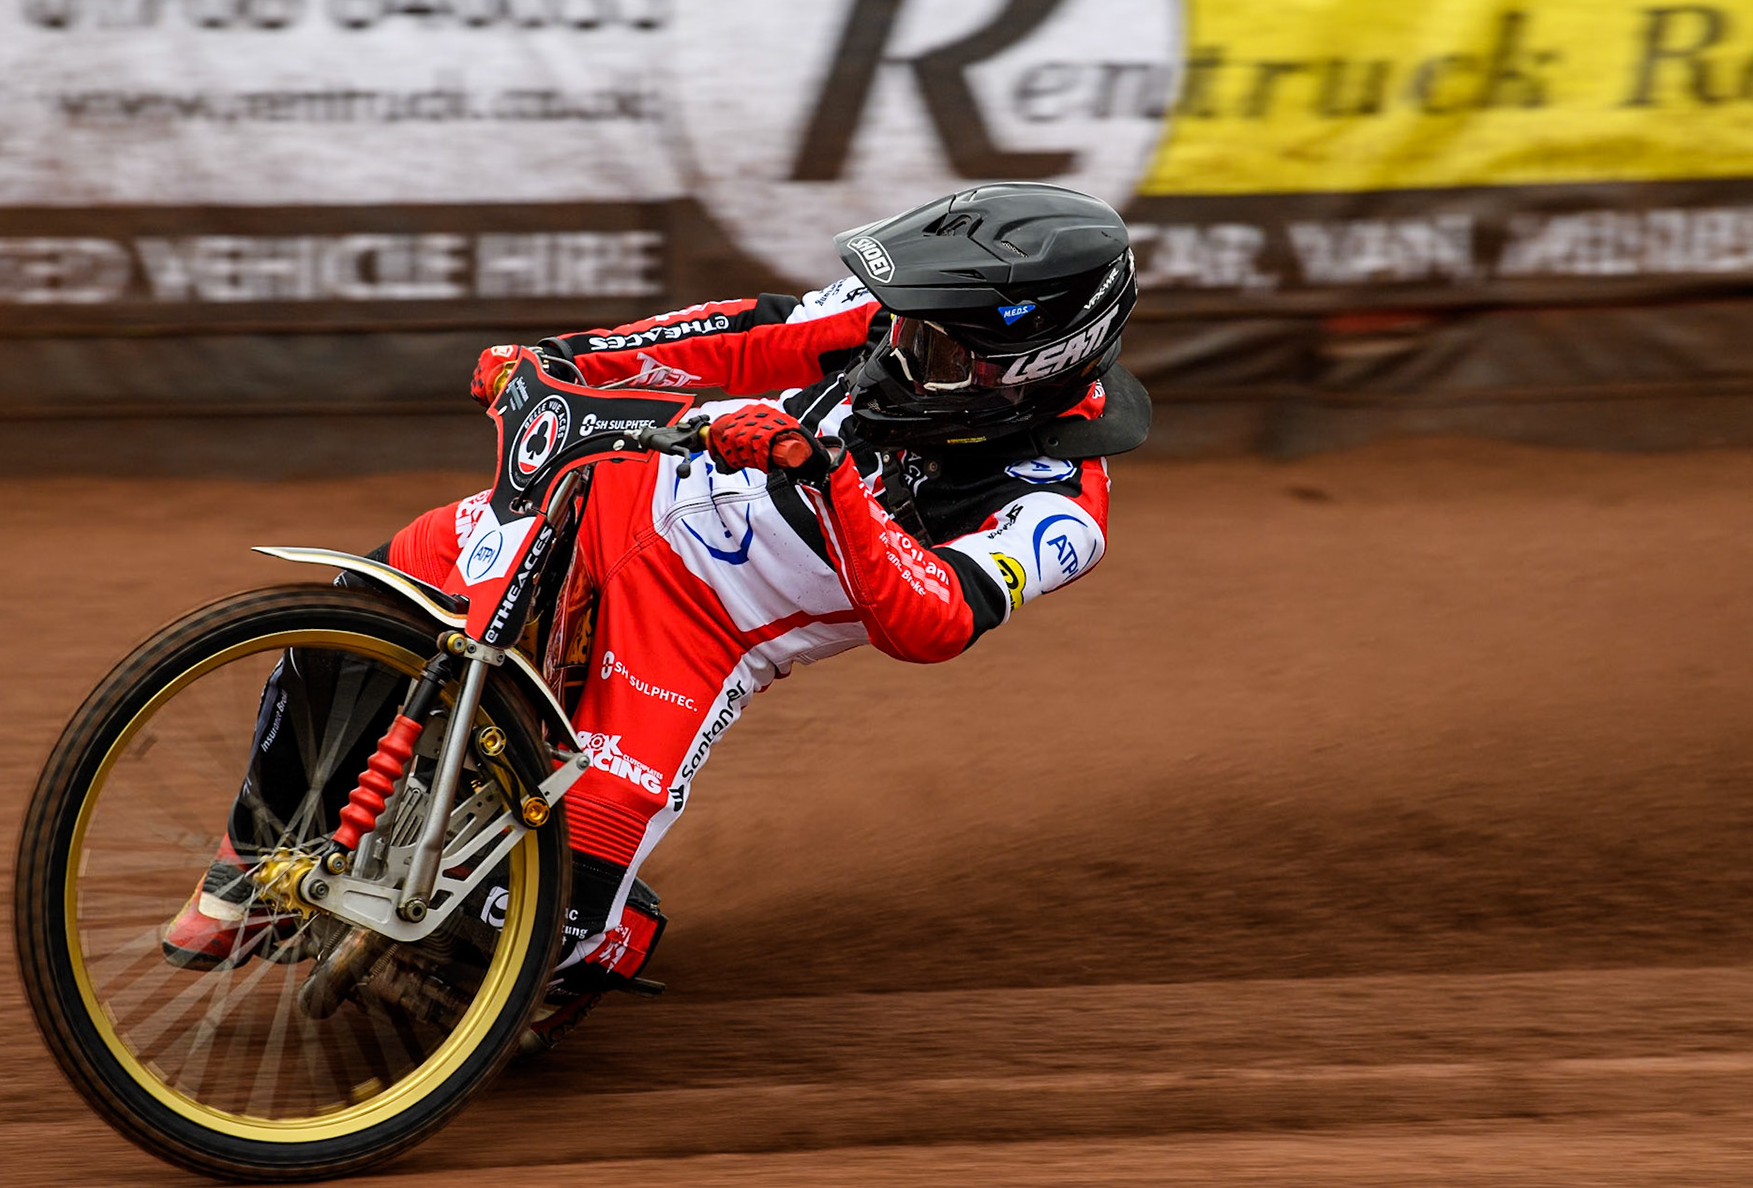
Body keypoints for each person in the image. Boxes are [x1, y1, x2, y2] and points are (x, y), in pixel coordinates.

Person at [161, 182, 1149, 1042]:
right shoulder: (901, 318)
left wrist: (827, 472)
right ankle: (255, 854)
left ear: (1025, 366)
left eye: (928, 342)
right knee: (370, 607)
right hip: (614, 498)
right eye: (897, 320)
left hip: (697, 635)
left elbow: (928, 619)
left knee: (532, 921)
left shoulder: (1060, 505)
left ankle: (598, 947)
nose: (893, 346)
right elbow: (749, 335)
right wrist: (572, 360)